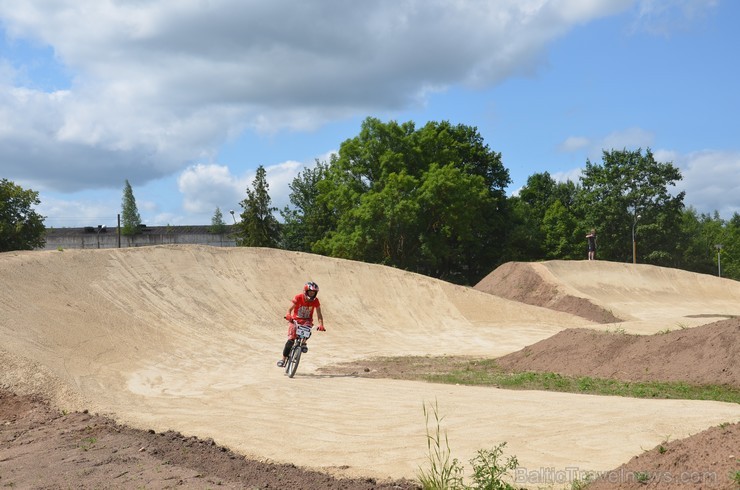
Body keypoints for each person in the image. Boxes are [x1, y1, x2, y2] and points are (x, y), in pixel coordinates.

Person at [277, 281, 325, 367]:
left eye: (313, 293)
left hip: (307, 321)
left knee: (309, 329)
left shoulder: (316, 301)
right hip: (296, 320)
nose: (311, 294)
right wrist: (288, 315)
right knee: (290, 340)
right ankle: (283, 359)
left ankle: (303, 343)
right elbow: (289, 309)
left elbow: (319, 314)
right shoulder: (298, 297)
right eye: (310, 292)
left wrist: (321, 325)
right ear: (306, 291)